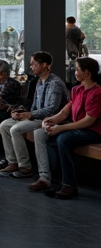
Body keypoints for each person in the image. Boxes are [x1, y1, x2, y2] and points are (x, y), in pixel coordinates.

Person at [34, 56, 101, 199]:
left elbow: (89, 121)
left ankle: (69, 186)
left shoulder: (97, 92)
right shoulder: (76, 89)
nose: (74, 72)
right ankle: (55, 180)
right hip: (79, 128)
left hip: (93, 131)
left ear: (87, 73)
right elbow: (65, 111)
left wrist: (61, 128)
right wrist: (51, 120)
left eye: (77, 69)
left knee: (63, 138)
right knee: (48, 136)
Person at [0, 51, 67, 177]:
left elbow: (52, 109)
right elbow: (34, 105)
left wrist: (30, 115)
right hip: (35, 116)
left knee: (15, 129)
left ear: (44, 65)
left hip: (48, 119)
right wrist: (20, 113)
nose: (31, 67)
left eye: (34, 64)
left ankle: (25, 167)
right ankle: (12, 162)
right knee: (5, 125)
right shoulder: (38, 81)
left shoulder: (54, 83)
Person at [65, 16, 86, 83]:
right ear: (74, 21)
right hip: (76, 50)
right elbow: (83, 36)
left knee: (69, 65)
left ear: (67, 21)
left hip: (68, 49)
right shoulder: (77, 29)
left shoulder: (65, 29)